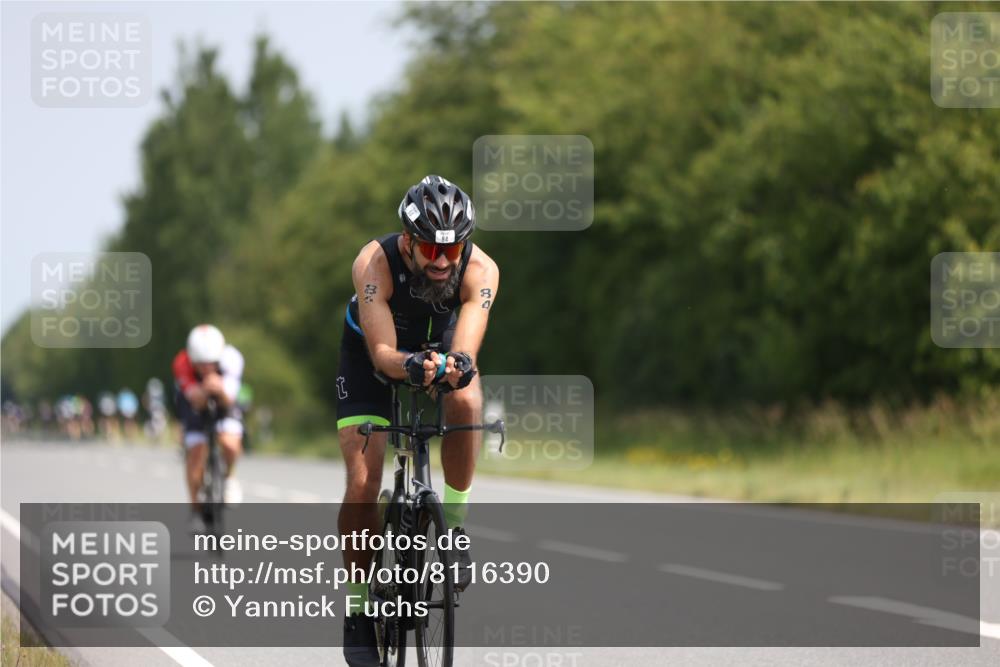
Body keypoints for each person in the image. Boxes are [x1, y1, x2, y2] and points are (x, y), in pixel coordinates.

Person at [336, 175, 499, 666]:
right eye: (431, 248)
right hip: (372, 355)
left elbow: (465, 352)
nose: (443, 260)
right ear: (408, 240)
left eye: (453, 249)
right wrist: (408, 365)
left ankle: (454, 523)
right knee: (364, 481)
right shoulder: (373, 265)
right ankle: (359, 607)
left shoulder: (482, 270)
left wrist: (455, 366)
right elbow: (384, 353)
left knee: (467, 403)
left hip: (439, 345)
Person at [172, 324, 246, 532]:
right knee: (196, 454)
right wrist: (204, 390)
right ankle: (196, 510)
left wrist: (219, 389)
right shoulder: (181, 363)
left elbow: (229, 399)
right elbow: (195, 400)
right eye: (200, 364)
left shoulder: (232, 359)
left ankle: (229, 478)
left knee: (230, 444)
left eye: (212, 363)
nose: (206, 368)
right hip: (195, 402)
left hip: (224, 402)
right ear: (192, 360)